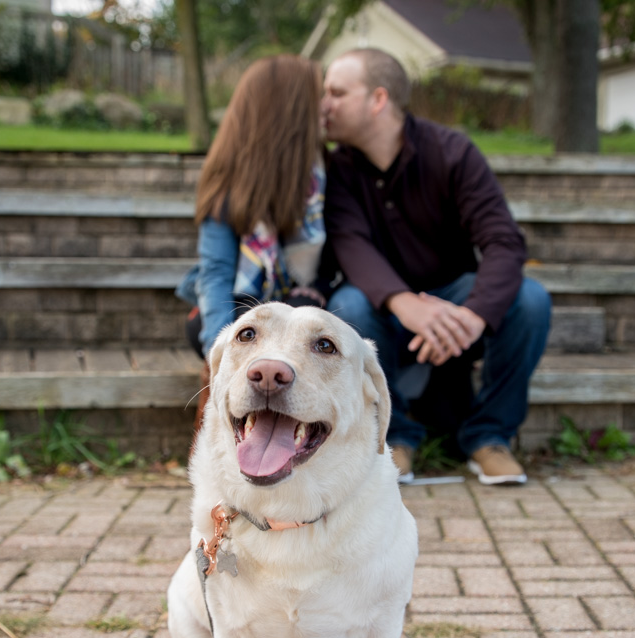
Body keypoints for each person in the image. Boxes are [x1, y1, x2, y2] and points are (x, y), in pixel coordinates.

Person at [321, 48, 551, 485]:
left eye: (337, 92)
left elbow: (504, 241)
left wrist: (473, 315)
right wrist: (406, 304)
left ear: (378, 99)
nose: (324, 104)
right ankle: (393, 438)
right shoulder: (338, 170)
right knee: (346, 308)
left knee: (531, 300)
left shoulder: (452, 152)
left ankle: (488, 437)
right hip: (381, 311)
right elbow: (351, 246)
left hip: (454, 304)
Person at [176, 54, 328, 361]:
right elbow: (216, 274)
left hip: (303, 305)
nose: (326, 105)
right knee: (232, 328)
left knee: (301, 315)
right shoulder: (228, 181)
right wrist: (220, 359)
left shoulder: (323, 174)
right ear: (292, 110)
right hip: (241, 304)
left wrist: (319, 289)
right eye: (320, 96)